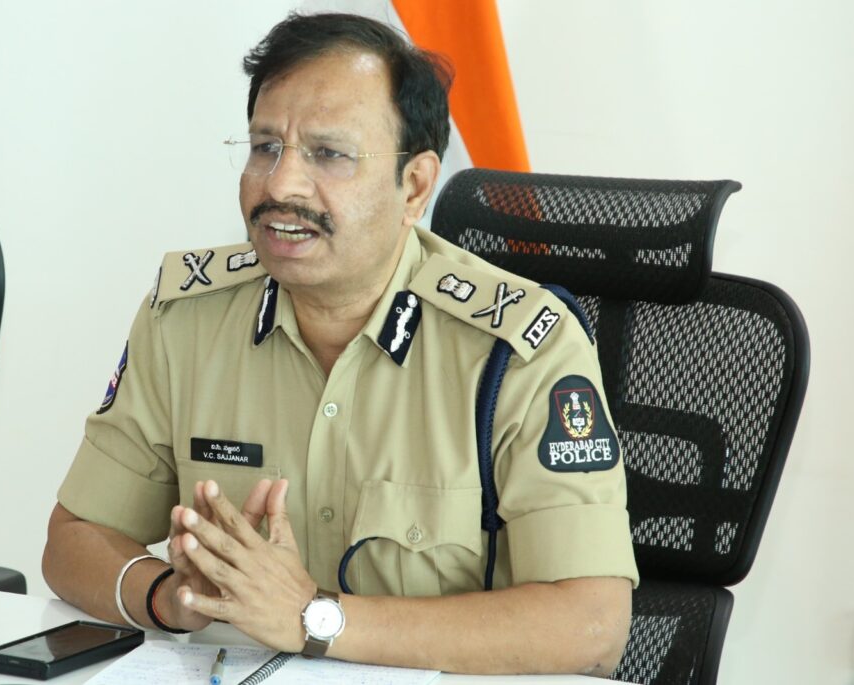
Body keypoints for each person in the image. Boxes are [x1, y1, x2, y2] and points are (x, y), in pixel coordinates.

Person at [43, 12, 638, 676]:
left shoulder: (519, 349)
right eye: (265, 146)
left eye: (329, 153)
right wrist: (171, 596)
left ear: (414, 186)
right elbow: (73, 538)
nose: (279, 185)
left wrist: (314, 617)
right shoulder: (184, 321)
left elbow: (592, 624)